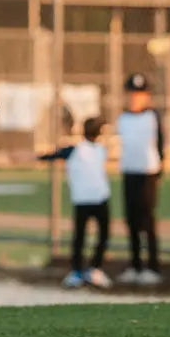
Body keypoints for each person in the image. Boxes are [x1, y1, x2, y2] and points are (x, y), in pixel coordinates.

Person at [38, 118, 113, 289]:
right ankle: (78, 272)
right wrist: (41, 156)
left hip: (100, 198)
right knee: (81, 237)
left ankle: (94, 269)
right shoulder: (76, 150)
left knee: (99, 237)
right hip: (84, 200)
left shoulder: (99, 150)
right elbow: (54, 155)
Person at [115, 73, 165, 286]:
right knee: (131, 220)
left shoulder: (153, 116)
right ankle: (135, 265)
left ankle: (152, 266)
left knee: (147, 220)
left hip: (148, 173)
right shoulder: (123, 118)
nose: (135, 98)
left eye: (140, 94)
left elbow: (161, 144)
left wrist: (160, 170)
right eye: (133, 94)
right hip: (129, 171)